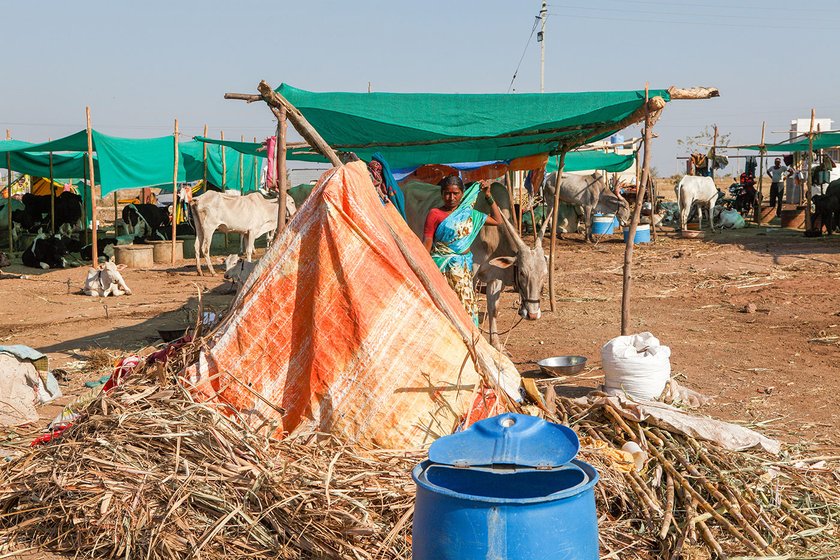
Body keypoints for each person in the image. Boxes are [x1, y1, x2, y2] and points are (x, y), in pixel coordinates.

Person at [423, 175, 502, 325]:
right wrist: (423, 264)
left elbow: (498, 220)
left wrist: (488, 196)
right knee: (443, 305)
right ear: (441, 194)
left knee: (465, 305)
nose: (451, 197)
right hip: (440, 266)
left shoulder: (470, 215)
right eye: (447, 193)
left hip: (463, 269)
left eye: (455, 193)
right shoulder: (434, 214)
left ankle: (467, 339)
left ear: (462, 194)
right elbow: (427, 240)